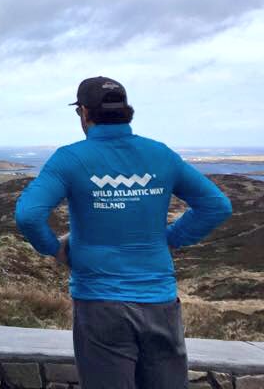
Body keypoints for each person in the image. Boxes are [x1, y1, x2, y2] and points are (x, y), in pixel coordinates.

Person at [15, 77, 233, 389]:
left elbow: (28, 214)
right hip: (159, 301)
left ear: (84, 113)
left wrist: (55, 249)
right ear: (125, 111)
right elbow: (216, 205)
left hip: (99, 303)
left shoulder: (71, 158)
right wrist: (171, 238)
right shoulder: (160, 154)